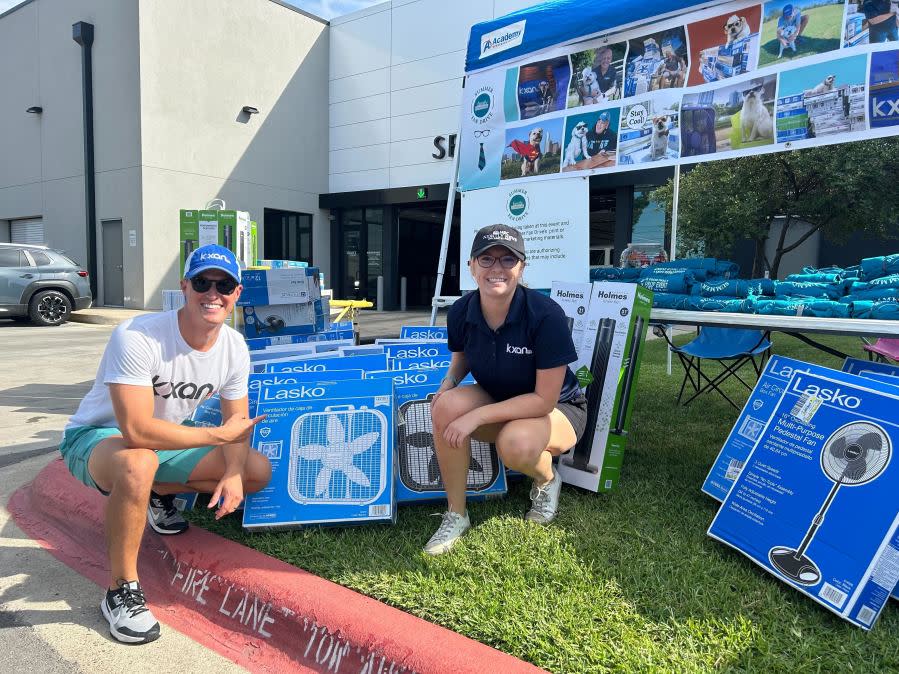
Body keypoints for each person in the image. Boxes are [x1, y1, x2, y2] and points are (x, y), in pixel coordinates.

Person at [59, 244, 271, 644]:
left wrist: (232, 471)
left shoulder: (234, 347)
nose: (213, 293)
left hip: (161, 445)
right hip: (99, 438)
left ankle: (155, 498)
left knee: (255, 471)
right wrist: (218, 437)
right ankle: (121, 591)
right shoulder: (138, 335)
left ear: (237, 293)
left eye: (224, 284)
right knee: (138, 463)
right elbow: (137, 431)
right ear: (184, 287)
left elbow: (236, 423)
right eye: (202, 282)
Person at [424, 225, 588, 556]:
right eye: (486, 259)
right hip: (498, 395)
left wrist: (478, 417)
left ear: (521, 267)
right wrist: (448, 383)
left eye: (507, 259)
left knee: (514, 443)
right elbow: (463, 357)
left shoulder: (545, 316)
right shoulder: (460, 310)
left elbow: (544, 400)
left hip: (558, 410)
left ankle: (546, 479)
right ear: (471, 266)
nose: (496, 268)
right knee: (445, 407)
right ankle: (456, 514)